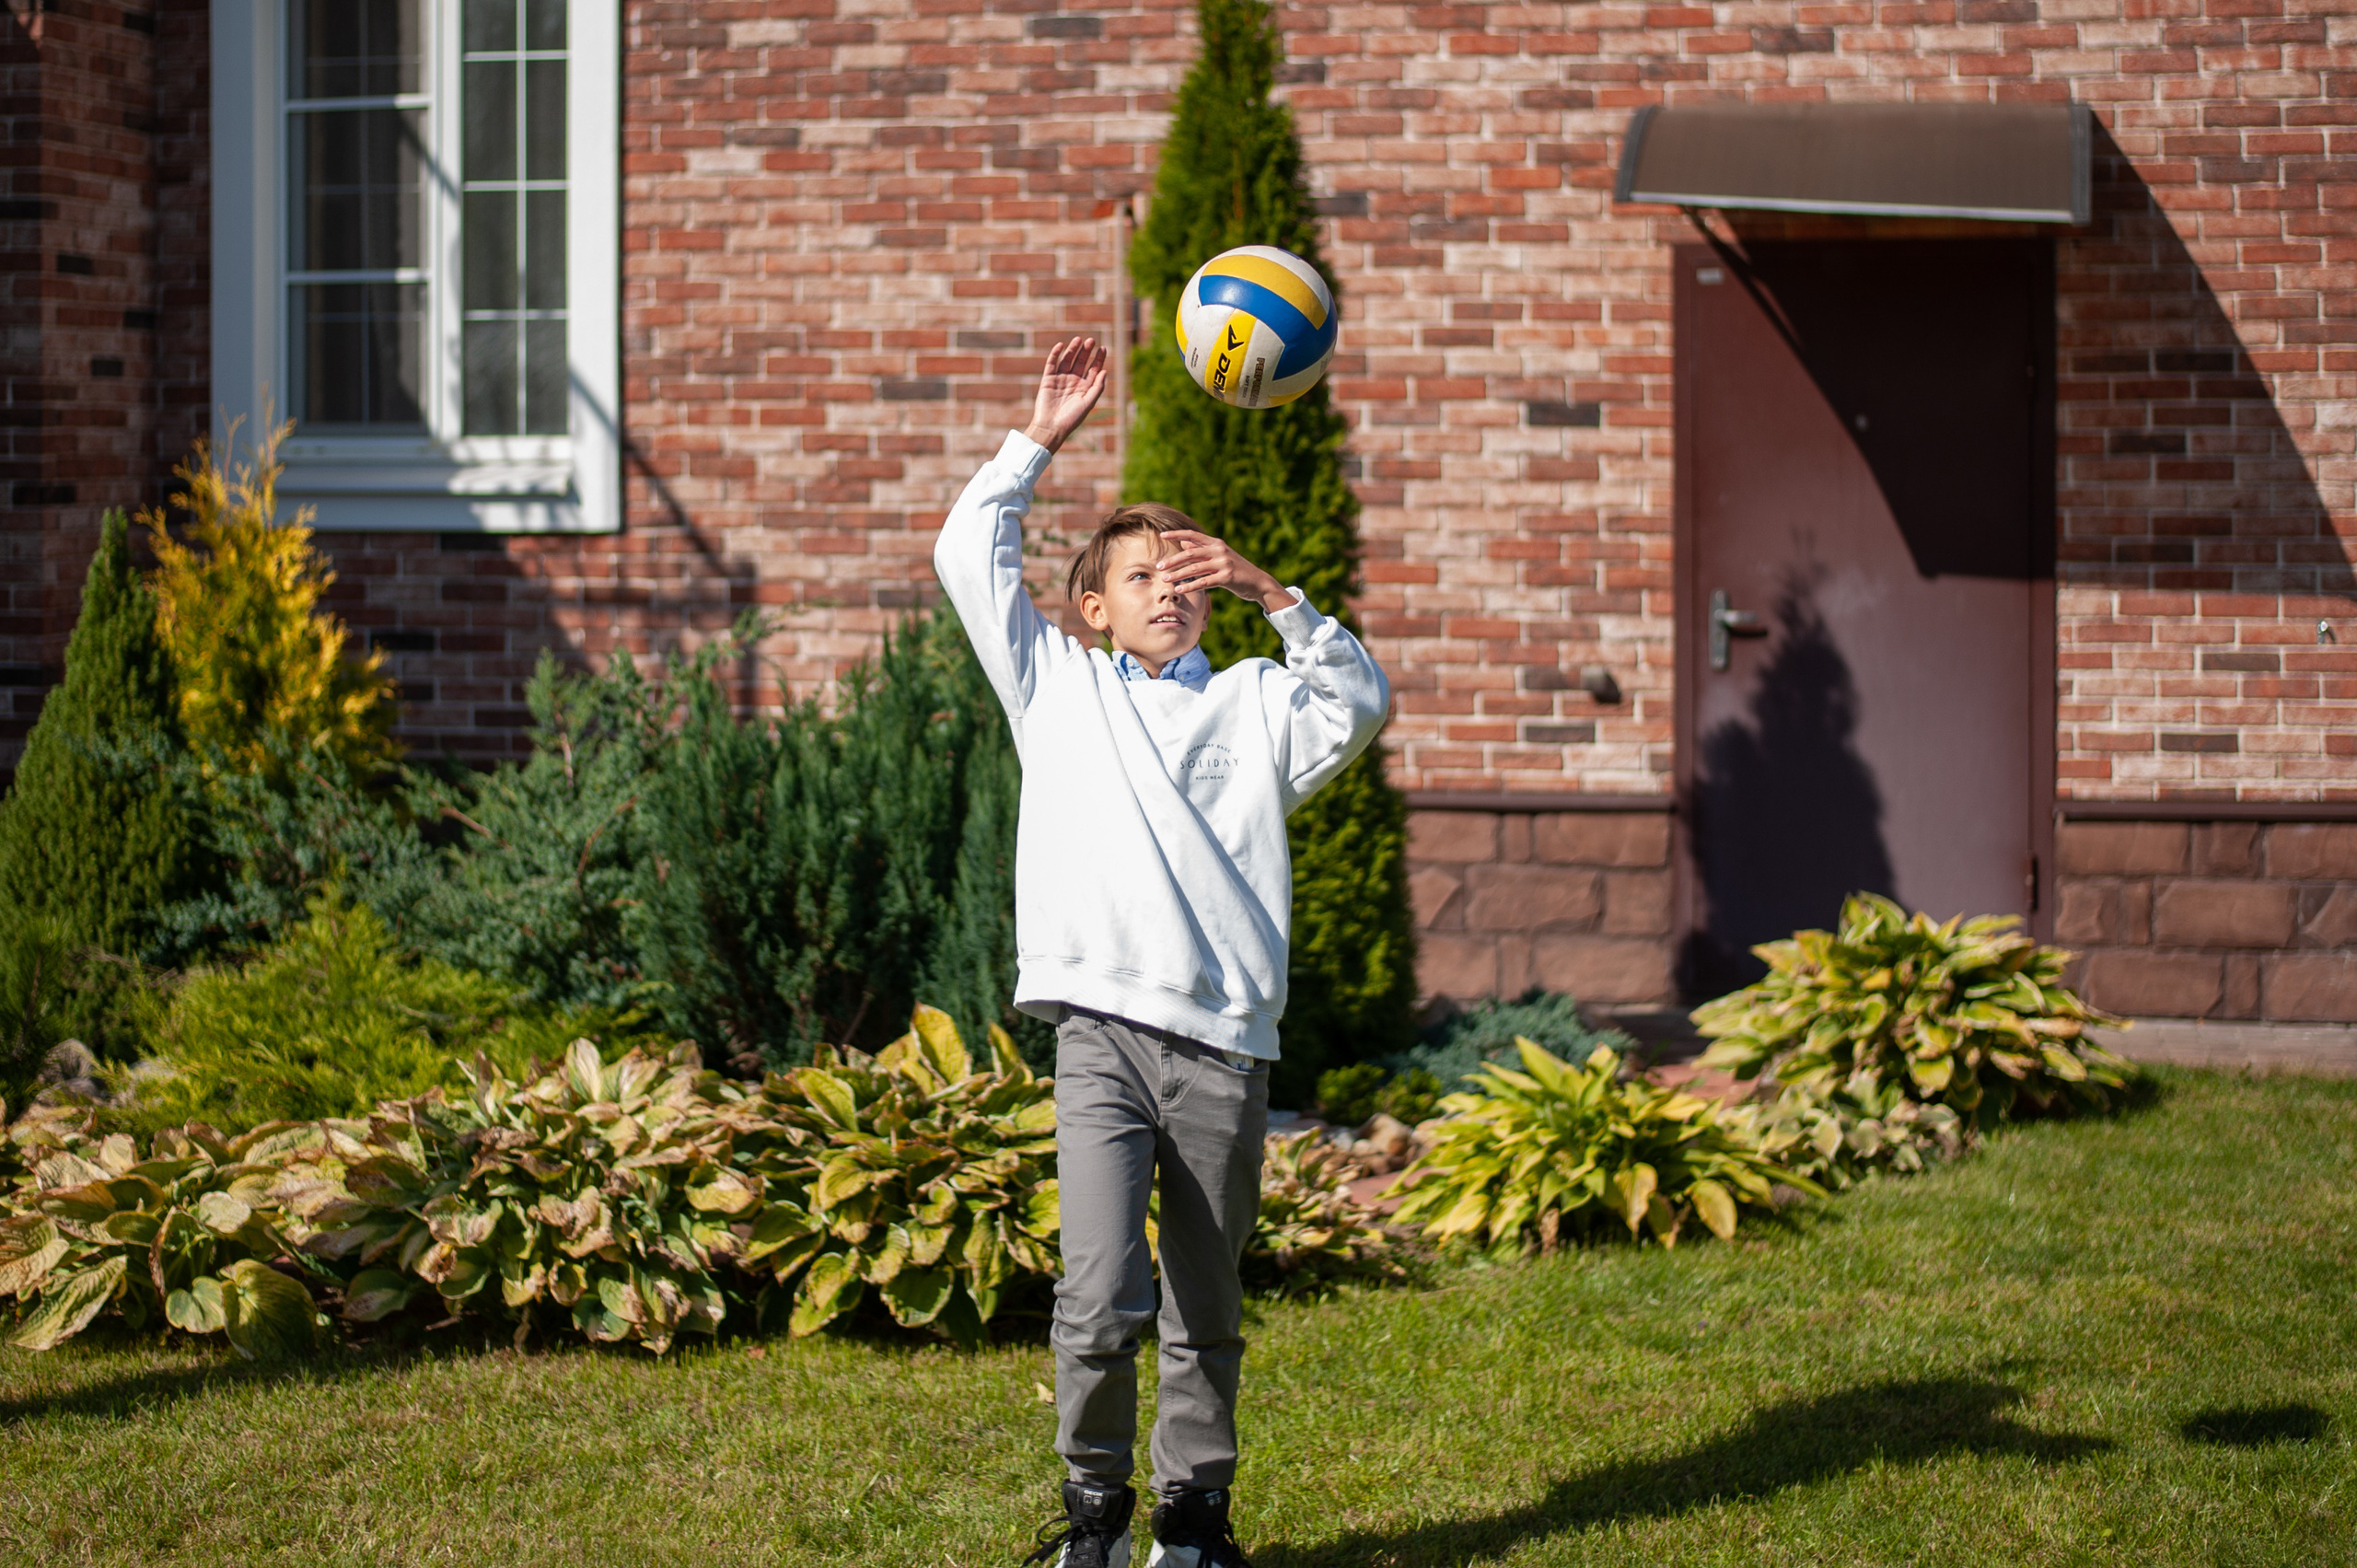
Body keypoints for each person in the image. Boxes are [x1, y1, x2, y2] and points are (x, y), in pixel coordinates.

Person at [932, 338, 1390, 1568]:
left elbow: (1358, 698)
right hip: (1100, 1041)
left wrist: (1269, 589)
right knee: (1095, 1301)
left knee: (1205, 1306)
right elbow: (964, 554)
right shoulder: (1058, 690)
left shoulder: (1254, 702)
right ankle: (1091, 1517)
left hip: (1224, 1048)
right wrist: (1040, 440)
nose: (1168, 588)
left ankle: (1193, 1524)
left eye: (1186, 572)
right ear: (1092, 606)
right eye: (1141, 573)